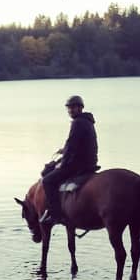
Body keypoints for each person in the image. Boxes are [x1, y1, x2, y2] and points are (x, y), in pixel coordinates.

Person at [40, 94, 98, 224]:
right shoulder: (87, 121)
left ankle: (56, 215)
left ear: (80, 108)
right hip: (89, 161)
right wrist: (64, 150)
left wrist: (62, 164)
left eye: (73, 107)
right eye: (69, 108)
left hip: (78, 164)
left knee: (47, 180)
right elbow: (75, 143)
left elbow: (72, 146)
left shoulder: (78, 123)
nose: (71, 110)